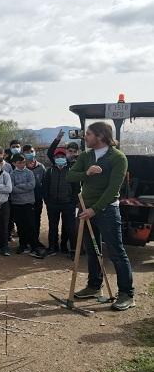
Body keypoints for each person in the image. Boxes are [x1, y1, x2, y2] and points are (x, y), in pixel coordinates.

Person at [67, 122, 134, 311]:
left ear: (101, 136)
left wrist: (94, 209)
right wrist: (86, 172)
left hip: (107, 211)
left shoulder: (118, 158)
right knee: (92, 249)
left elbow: (113, 189)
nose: (85, 137)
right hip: (86, 209)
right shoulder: (87, 156)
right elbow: (70, 176)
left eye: (88, 134)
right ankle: (94, 286)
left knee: (116, 252)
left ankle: (127, 294)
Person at [44, 147, 79, 257]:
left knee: (70, 227)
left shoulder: (72, 170)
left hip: (68, 204)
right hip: (53, 204)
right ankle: (52, 247)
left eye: (62, 157)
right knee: (53, 226)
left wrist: (73, 202)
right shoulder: (49, 171)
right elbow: (45, 188)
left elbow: (76, 188)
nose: (60, 158)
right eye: (57, 157)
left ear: (66, 158)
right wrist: (48, 201)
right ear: (54, 158)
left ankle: (72, 249)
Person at [9, 154, 46, 258]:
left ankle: (34, 246)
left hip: (29, 203)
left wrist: (19, 186)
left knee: (31, 225)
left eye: (23, 162)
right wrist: (23, 187)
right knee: (20, 226)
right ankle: (22, 245)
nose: (22, 164)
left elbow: (32, 185)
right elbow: (12, 188)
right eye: (19, 163)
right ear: (14, 163)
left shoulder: (29, 173)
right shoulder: (12, 174)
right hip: (17, 203)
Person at [23, 144, 46, 247]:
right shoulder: (21, 167)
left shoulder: (41, 167)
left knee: (36, 220)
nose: (29, 154)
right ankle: (25, 242)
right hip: (24, 199)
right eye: (27, 152)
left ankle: (35, 241)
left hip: (37, 198)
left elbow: (45, 183)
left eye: (31, 151)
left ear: (35, 152)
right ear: (23, 153)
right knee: (25, 221)